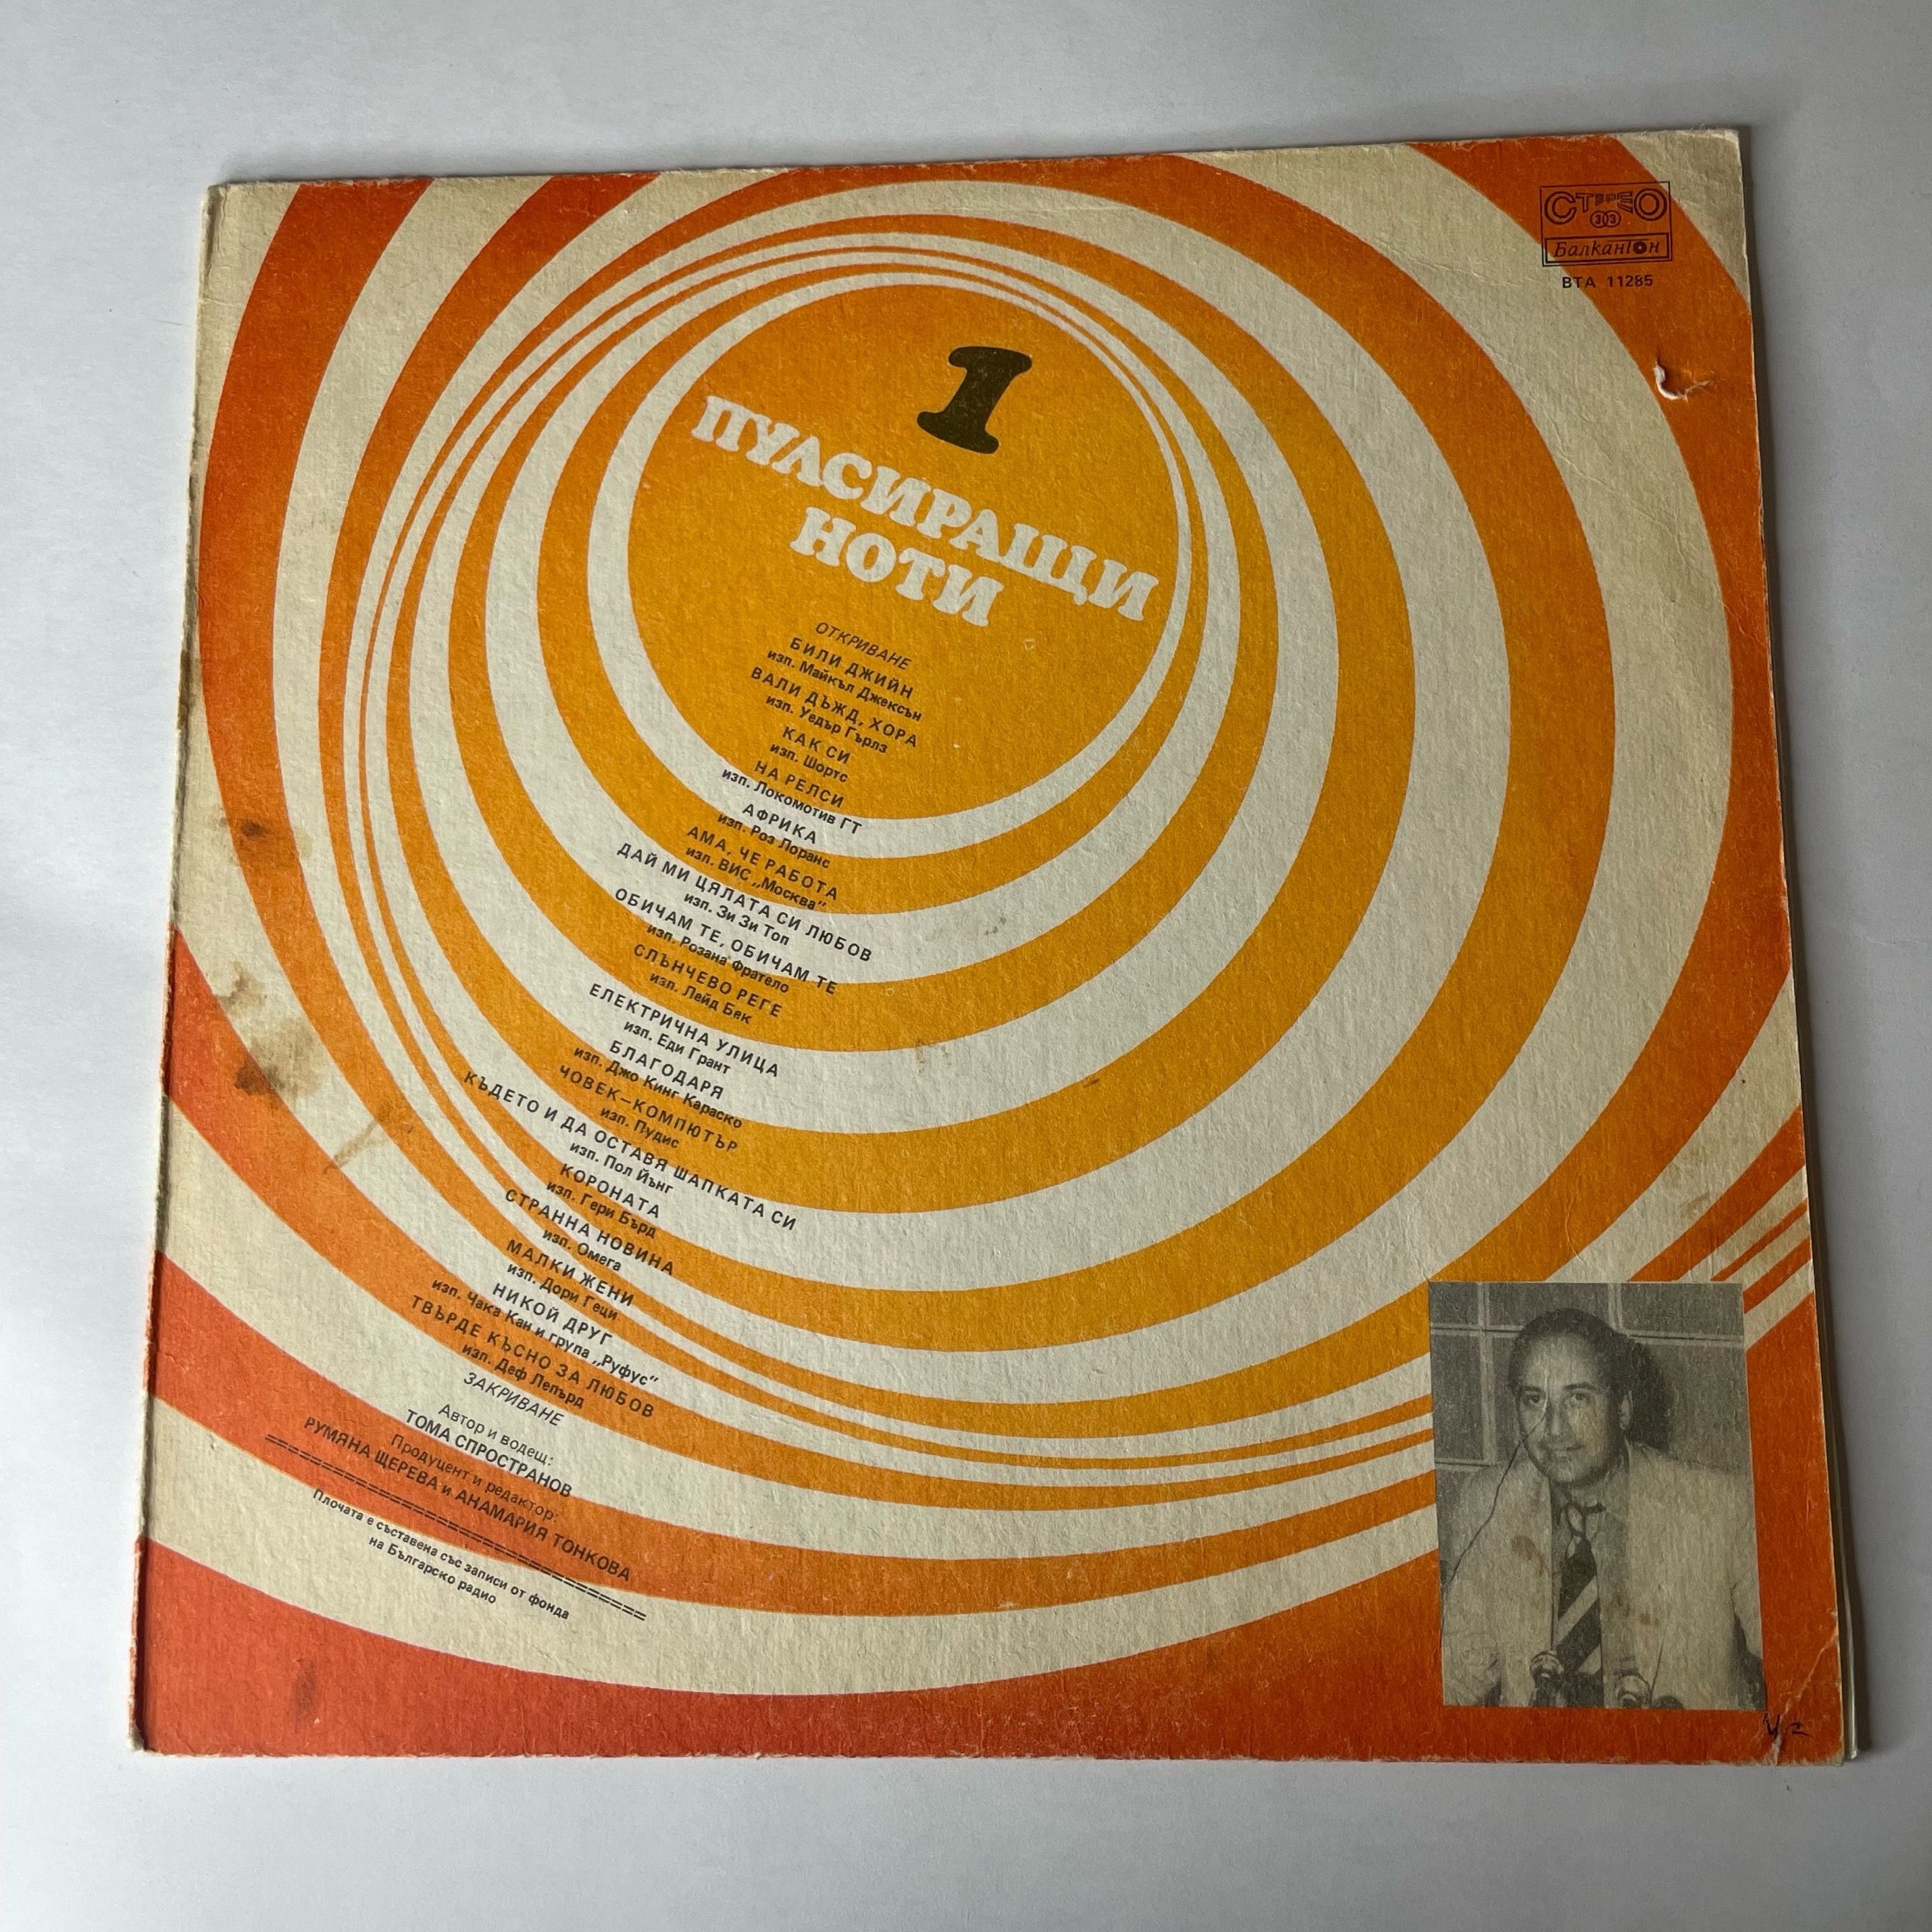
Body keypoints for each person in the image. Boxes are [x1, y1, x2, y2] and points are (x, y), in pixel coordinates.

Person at [1439, 1306, 1762, 1709]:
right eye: (1534, 1400)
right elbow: (1456, 1680)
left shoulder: (1723, 1507)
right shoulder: (1487, 1503)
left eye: (1578, 1398)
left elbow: (1801, 1663)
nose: (1554, 1429)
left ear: (1622, 1409)